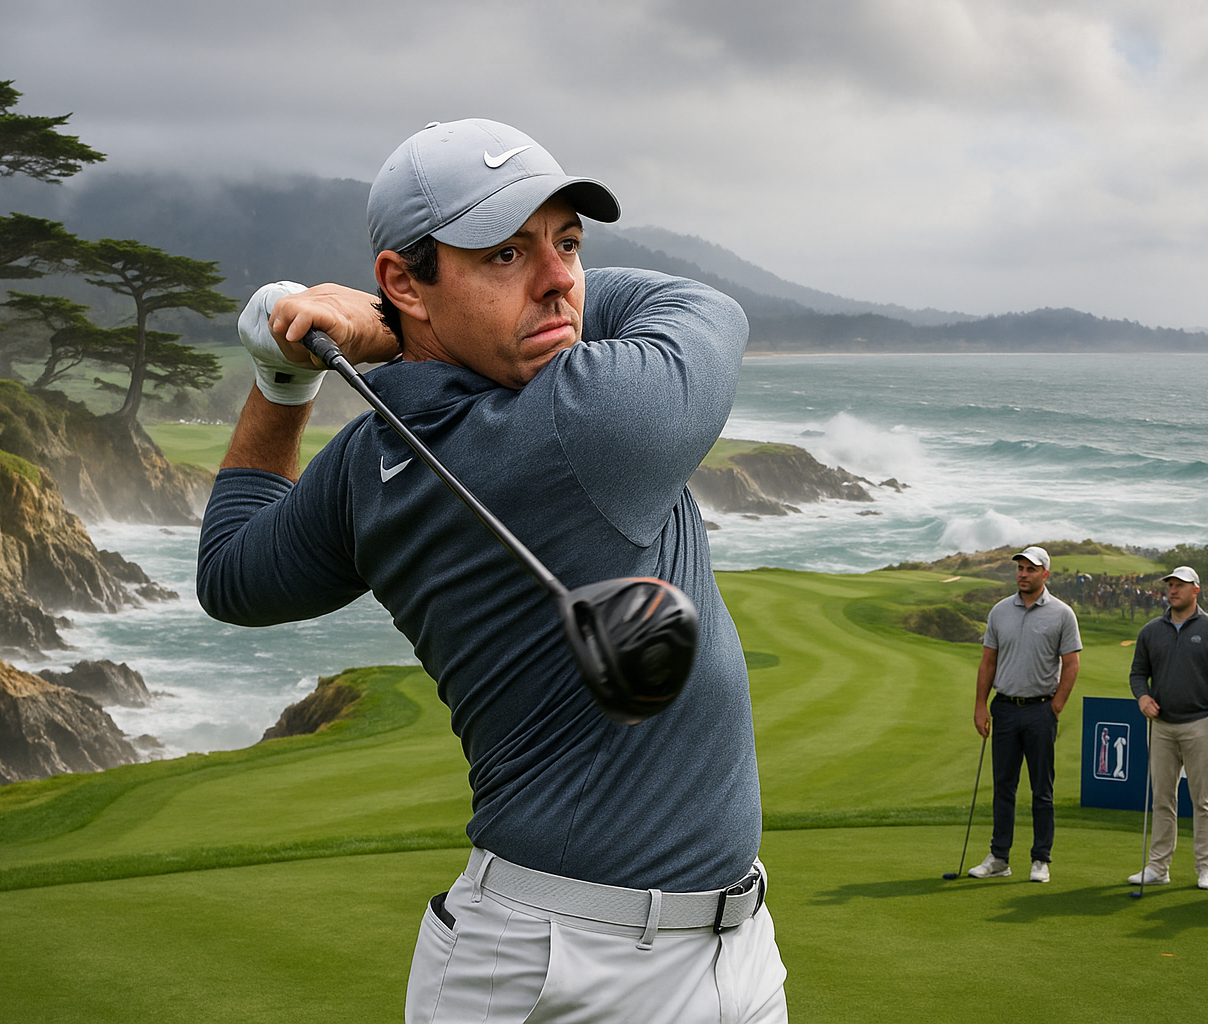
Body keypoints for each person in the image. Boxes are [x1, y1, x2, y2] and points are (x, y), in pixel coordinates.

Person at [196, 119, 786, 1023]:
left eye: (570, 243)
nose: (558, 280)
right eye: (507, 252)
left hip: (718, 952)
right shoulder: (591, 422)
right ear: (402, 277)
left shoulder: (364, 465)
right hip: (564, 974)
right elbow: (705, 309)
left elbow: (231, 574)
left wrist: (285, 380)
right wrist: (394, 326)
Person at [969, 546, 1083, 883]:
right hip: (1004, 708)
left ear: (1045, 574)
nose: (1022, 574)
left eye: (1030, 569)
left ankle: (1040, 859)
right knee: (1004, 787)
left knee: (1041, 790)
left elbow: (1072, 663)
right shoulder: (1000, 611)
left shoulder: (1062, 614)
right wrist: (980, 705)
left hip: (1040, 710)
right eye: (1019, 568)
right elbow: (988, 660)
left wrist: (1056, 705)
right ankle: (999, 858)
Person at [1125, 566, 1208, 890]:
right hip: (1161, 727)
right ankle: (1158, 867)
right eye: (1170, 585)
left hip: (1199, 725)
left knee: (1202, 800)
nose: (1173, 590)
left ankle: (1206, 868)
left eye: (1180, 585)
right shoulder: (1151, 631)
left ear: (1196, 590)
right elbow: (1137, 673)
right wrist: (1142, 696)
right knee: (1163, 798)